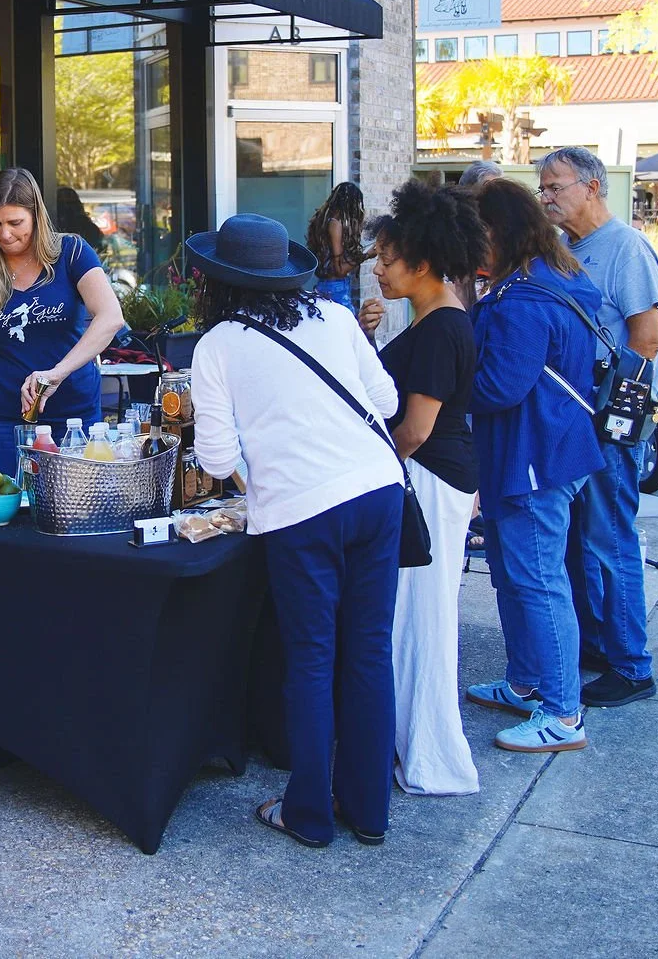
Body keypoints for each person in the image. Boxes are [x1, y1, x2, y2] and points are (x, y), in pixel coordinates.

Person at [185, 214, 404, 847]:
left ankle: (308, 814)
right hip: (377, 492)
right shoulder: (335, 316)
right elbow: (385, 402)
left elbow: (218, 462)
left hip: (300, 512)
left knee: (311, 660)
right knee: (368, 653)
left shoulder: (217, 346)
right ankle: (369, 811)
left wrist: (268, 455)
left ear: (218, 281)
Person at [464, 179, 605, 754]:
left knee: (539, 583)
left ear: (498, 234)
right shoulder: (554, 278)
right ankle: (527, 682)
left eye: (474, 238)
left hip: (532, 461)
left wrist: (440, 382)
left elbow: (500, 386)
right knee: (517, 580)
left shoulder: (522, 301)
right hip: (544, 454)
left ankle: (562, 713)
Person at [366, 182, 486, 796]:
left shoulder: (441, 328)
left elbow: (414, 428)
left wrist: (374, 462)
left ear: (423, 260)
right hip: (434, 478)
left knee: (421, 616)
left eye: (388, 259)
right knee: (411, 614)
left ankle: (430, 756)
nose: (378, 270)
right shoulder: (434, 320)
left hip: (429, 480)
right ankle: (412, 746)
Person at [538, 147, 658, 708]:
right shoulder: (564, 249)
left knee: (611, 538)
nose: (547, 197)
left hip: (607, 412)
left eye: (556, 186)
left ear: (593, 187)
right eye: (543, 188)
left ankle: (632, 665)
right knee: (576, 538)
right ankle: (598, 643)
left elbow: (647, 337)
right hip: (572, 409)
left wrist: (617, 413)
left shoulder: (627, 248)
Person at [0, 167, 124, 474]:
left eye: (16, 222)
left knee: (74, 511)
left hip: (72, 418)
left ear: (36, 216)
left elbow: (110, 318)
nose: (5, 234)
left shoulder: (71, 253)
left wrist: (56, 374)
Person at [306, 181, 367, 312]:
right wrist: (367, 255)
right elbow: (339, 270)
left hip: (326, 286)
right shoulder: (335, 224)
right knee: (346, 329)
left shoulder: (326, 221)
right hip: (335, 289)